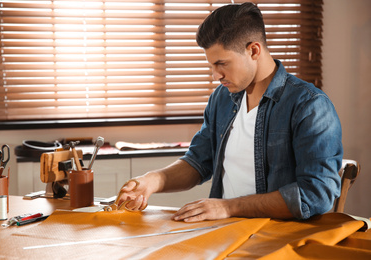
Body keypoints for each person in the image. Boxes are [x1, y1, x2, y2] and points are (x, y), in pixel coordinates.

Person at [116, 3, 343, 222]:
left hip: (277, 238)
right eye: (212, 66)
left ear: (254, 50)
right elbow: (198, 161)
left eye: (222, 63)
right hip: (225, 233)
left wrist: (229, 207)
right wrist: (152, 181)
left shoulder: (309, 106)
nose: (216, 75)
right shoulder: (222, 98)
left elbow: (316, 195)